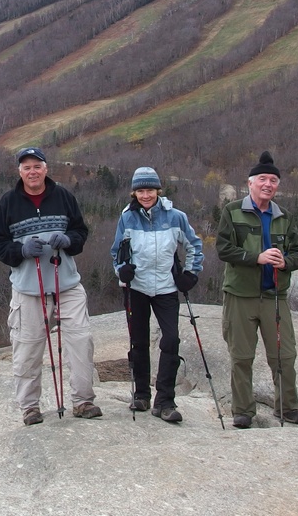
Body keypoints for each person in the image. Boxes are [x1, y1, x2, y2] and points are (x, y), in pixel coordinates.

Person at [0, 146, 101, 426]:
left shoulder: (63, 197)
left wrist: (69, 241)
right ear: (19, 172)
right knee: (27, 350)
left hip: (67, 286)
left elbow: (80, 232)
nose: (32, 172)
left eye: (37, 166)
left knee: (81, 342)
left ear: (46, 169)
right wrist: (21, 250)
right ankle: (29, 407)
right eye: (26, 167)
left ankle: (83, 401)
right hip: (28, 291)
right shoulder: (8, 202)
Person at [217, 151, 298, 428]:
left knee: (284, 356)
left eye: (273, 180)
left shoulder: (284, 217)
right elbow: (223, 248)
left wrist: (286, 262)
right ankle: (243, 411)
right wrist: (255, 258)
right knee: (241, 357)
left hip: (274, 296)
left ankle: (288, 408)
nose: (268, 184)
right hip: (240, 295)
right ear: (250, 183)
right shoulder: (233, 211)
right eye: (263, 179)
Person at [110, 166, 205, 423]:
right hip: (136, 288)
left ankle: (165, 400)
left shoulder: (175, 217)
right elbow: (117, 251)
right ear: (134, 192)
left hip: (166, 287)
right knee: (138, 342)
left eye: (150, 190)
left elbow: (194, 245)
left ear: (158, 191)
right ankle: (141, 394)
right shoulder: (127, 218)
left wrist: (191, 274)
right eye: (141, 190)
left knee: (171, 340)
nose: (145, 195)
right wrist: (122, 271)